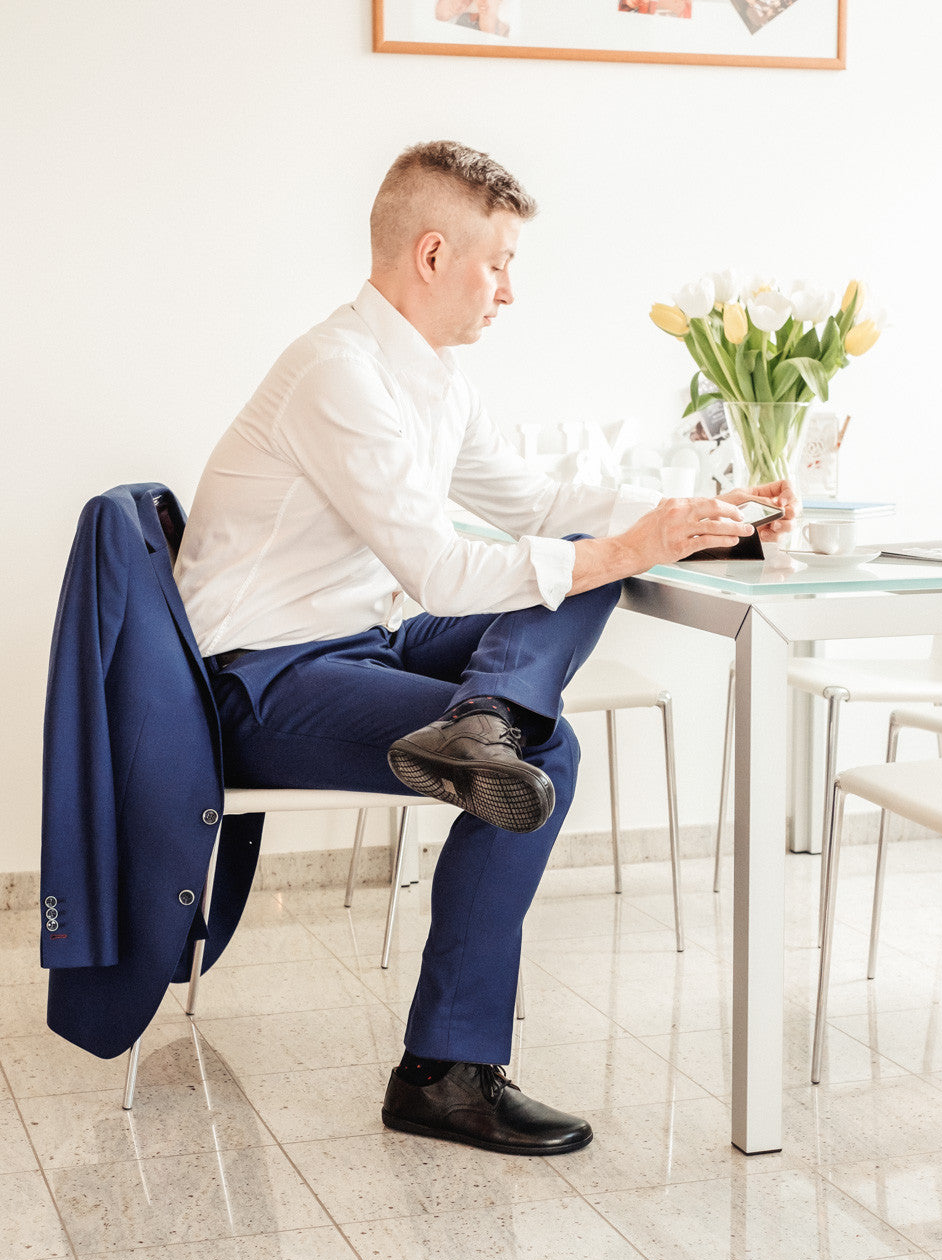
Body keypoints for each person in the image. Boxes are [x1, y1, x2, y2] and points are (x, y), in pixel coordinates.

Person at [174, 140, 796, 1156]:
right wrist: (620, 548)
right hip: (266, 679)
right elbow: (439, 571)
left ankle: (483, 719)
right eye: (497, 261)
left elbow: (538, 506)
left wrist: (702, 519)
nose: (509, 289)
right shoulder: (337, 374)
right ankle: (442, 1076)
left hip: (358, 642)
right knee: (555, 721)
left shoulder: (431, 379)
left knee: (580, 570)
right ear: (431, 255)